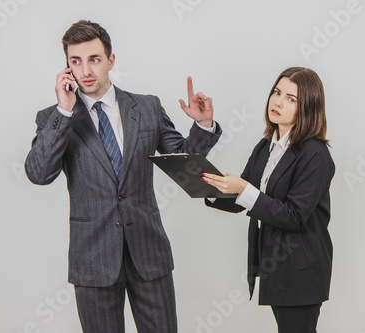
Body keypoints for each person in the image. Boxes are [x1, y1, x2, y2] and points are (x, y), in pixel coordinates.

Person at [24, 20, 221, 333]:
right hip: (93, 258)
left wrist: (203, 125)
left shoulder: (146, 107)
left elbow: (185, 166)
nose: (85, 70)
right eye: (76, 61)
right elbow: (38, 173)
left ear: (110, 60)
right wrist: (63, 112)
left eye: (94, 59)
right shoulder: (53, 117)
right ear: (67, 67)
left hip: (149, 253)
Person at [202, 67, 335, 333]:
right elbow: (243, 198)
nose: (277, 102)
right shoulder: (265, 146)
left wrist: (244, 189)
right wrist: (203, 185)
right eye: (277, 92)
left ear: (308, 107)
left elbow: (294, 217)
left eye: (291, 99)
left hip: (301, 270)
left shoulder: (315, 154)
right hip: (275, 264)